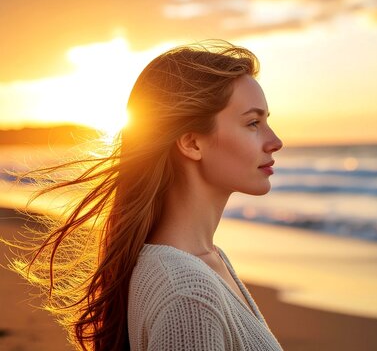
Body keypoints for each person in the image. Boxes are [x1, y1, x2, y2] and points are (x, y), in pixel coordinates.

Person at [11, 40, 283, 350]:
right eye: (253, 123)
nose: (275, 141)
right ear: (192, 143)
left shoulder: (206, 261)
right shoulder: (188, 293)